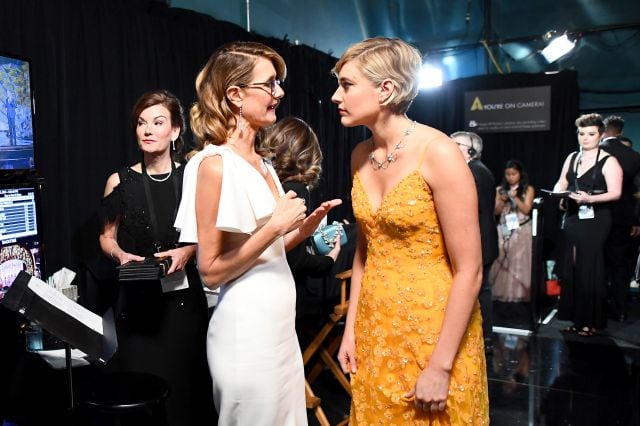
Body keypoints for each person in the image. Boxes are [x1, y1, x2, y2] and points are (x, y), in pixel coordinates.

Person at [173, 41, 341, 425]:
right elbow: (211, 270)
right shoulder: (213, 164)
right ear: (234, 95)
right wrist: (277, 226)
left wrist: (301, 229)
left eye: (278, 84)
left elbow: (270, 251)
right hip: (245, 336)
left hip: (280, 331)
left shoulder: (263, 163)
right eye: (269, 84)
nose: (279, 93)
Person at [333, 37, 488, 424]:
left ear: (385, 89)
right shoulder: (359, 156)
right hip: (375, 327)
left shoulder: (438, 152)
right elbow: (366, 251)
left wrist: (441, 366)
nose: (337, 95)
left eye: (347, 84)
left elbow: (470, 269)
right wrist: (350, 328)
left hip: (436, 330)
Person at [98, 90, 216, 425]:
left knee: (186, 396)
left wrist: (188, 251)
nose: (147, 129)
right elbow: (106, 238)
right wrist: (120, 254)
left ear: (176, 130)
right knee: (142, 401)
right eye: (141, 123)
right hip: (136, 306)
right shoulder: (118, 181)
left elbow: (210, 234)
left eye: (158, 122)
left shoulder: (193, 176)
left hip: (183, 307)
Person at [261, 116, 341, 313]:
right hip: (287, 293)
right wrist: (330, 259)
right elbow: (294, 259)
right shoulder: (296, 190)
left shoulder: (267, 186)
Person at [553, 113, 623, 336]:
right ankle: (576, 317)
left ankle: (591, 321)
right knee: (572, 267)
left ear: (601, 135)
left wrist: (589, 199)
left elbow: (616, 193)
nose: (585, 138)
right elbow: (562, 181)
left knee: (590, 267)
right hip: (574, 218)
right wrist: (558, 194)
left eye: (591, 134)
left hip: (597, 219)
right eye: (581, 133)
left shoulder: (609, 161)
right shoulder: (573, 157)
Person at [451, 131, 498, 349]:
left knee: (478, 290)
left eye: (456, 144)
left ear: (471, 150)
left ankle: (482, 337)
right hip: (485, 239)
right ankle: (483, 336)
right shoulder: (480, 170)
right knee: (481, 289)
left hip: (479, 241)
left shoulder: (472, 171)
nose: (450, 147)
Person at [601, 115, 640, 322]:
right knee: (619, 265)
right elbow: (637, 191)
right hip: (624, 218)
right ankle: (620, 309)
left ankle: (596, 307)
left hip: (599, 214)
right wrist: (636, 220)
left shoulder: (597, 153)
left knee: (597, 263)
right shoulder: (634, 156)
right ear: (621, 131)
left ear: (604, 129)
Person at [490, 160, 535, 303]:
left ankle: (520, 293)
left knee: (519, 261)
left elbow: (527, 209)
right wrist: (502, 200)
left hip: (522, 228)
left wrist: (515, 197)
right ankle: (502, 293)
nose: (510, 177)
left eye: (513, 174)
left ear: (520, 174)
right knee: (502, 258)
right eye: (508, 174)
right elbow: (496, 211)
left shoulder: (528, 189)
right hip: (504, 228)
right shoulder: (499, 190)